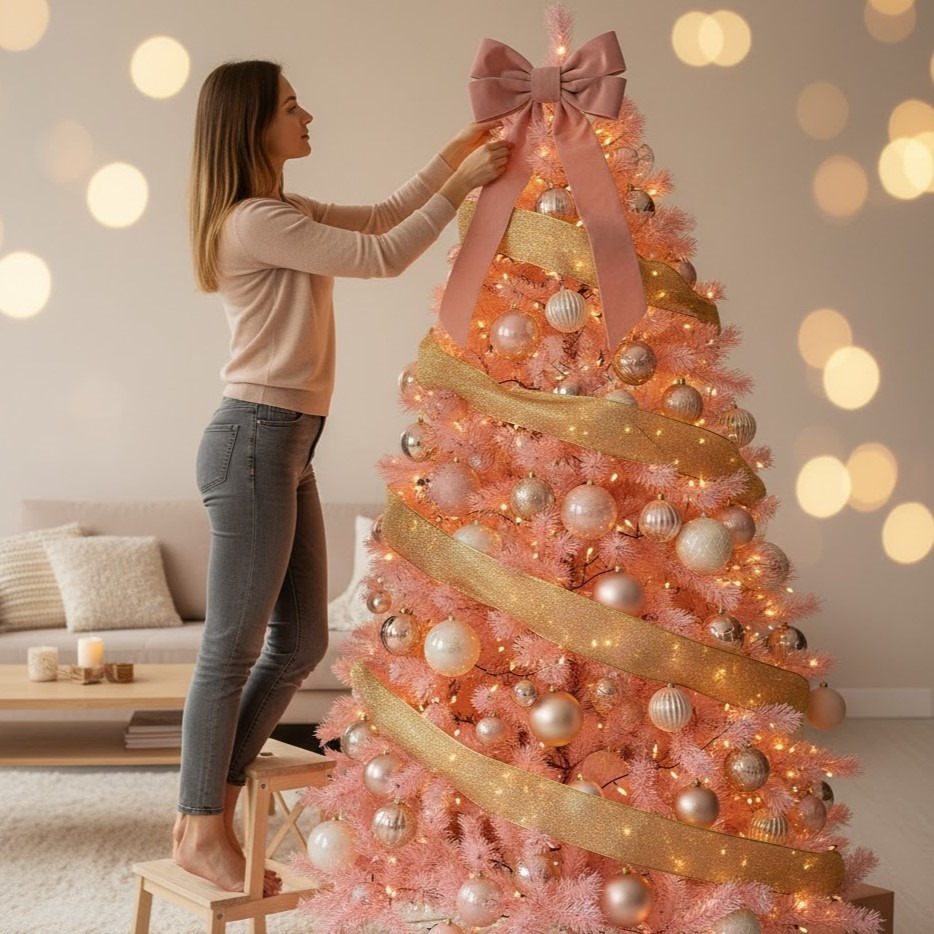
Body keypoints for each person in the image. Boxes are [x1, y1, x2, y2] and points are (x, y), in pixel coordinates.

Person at [175, 58, 511, 893]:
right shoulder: (252, 221)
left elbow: (387, 213)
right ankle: (199, 824)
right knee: (231, 648)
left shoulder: (280, 210)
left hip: (284, 441)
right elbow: (386, 253)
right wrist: (467, 183)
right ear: (252, 126)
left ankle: (208, 800)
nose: (307, 115)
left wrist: (451, 157)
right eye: (291, 106)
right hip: (255, 438)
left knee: (303, 642)